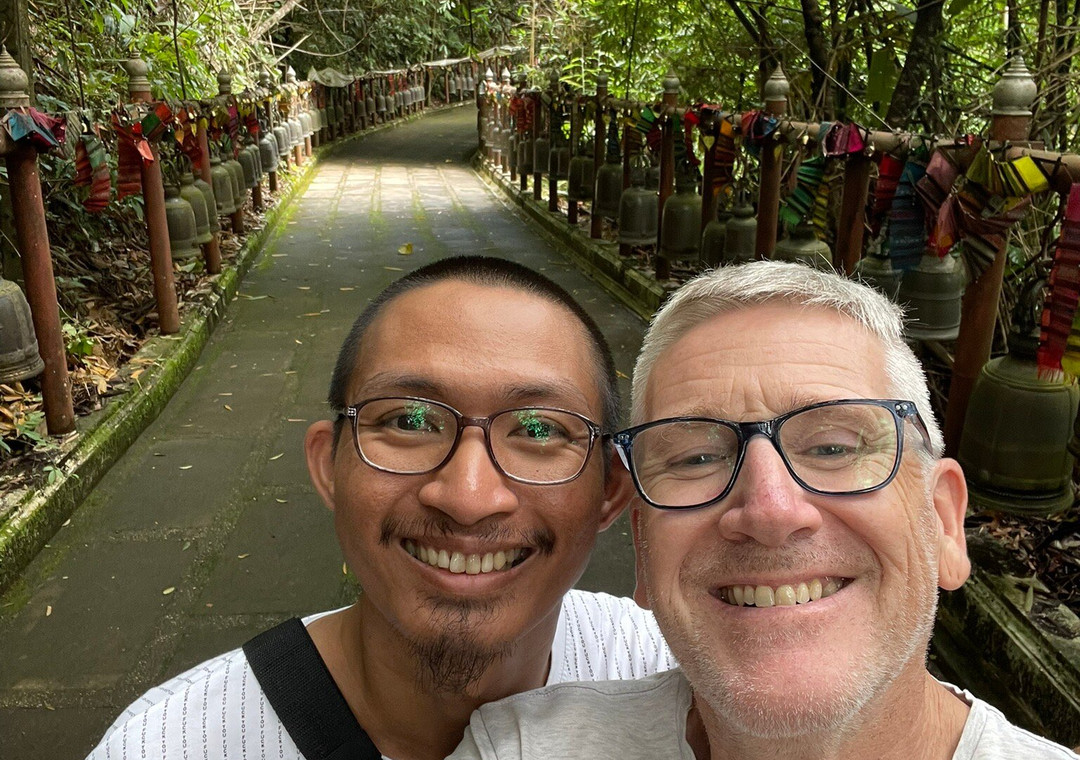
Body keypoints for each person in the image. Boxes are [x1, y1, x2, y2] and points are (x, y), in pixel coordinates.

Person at [449, 260, 1080, 760]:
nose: (770, 509)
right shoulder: (522, 749)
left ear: (942, 523)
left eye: (834, 447)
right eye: (697, 458)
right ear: (643, 548)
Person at [87, 255, 675, 760]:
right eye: (408, 420)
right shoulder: (168, 743)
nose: (468, 498)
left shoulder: (671, 674)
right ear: (327, 467)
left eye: (540, 430)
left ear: (611, 493)